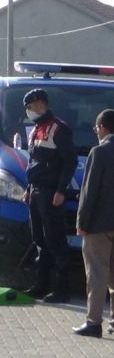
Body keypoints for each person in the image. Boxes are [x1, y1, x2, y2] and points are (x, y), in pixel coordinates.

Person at [21, 88, 77, 303]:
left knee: (55, 241)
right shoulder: (36, 129)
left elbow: (70, 161)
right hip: (36, 191)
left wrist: (61, 190)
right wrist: (28, 188)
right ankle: (41, 284)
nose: (29, 111)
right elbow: (33, 161)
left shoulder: (58, 129)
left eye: (31, 107)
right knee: (39, 239)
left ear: (41, 105)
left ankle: (62, 290)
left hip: (51, 192)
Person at [72, 109, 114, 338]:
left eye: (96, 128)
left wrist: (82, 222)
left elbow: (89, 192)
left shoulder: (99, 152)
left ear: (102, 128)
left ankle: (93, 322)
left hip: (99, 225)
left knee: (97, 273)